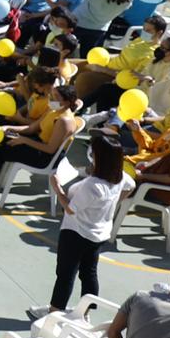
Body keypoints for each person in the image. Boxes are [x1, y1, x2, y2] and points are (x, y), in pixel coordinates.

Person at [34, 131, 132, 316]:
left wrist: (57, 188)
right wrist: (114, 202)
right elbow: (131, 186)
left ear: (98, 157)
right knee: (89, 273)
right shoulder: (119, 177)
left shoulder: (92, 185)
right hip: (99, 234)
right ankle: (84, 313)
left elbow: (70, 209)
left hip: (76, 232)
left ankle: (54, 312)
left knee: (66, 274)